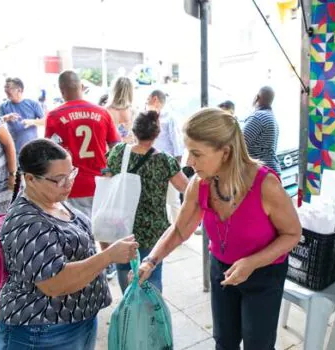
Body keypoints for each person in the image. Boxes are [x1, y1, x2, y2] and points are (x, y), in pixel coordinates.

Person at [135, 108, 301, 349]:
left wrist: (252, 262)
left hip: (264, 273)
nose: (189, 162)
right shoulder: (199, 184)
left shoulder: (266, 185)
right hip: (221, 268)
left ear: (225, 152)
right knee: (224, 341)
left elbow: (293, 233)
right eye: (188, 152)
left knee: (258, 344)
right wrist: (151, 261)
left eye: (197, 154)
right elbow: (180, 229)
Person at [0, 139, 139, 350]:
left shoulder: (52, 200)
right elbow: (54, 283)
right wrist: (108, 257)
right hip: (43, 330)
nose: (68, 184)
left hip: (74, 321)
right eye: (58, 179)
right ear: (30, 179)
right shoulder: (27, 222)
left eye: (71, 174)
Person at [45, 70, 121, 279]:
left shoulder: (54, 116)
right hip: (101, 182)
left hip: (72, 185)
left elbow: (50, 152)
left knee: (79, 232)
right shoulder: (102, 112)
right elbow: (116, 145)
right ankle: (108, 267)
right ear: (81, 87)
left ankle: (88, 270)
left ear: (62, 90)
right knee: (104, 227)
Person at [106, 111, 188, 293]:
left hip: (122, 226)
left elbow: (108, 181)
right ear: (157, 134)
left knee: (124, 269)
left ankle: (129, 307)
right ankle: (151, 315)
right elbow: (186, 188)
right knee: (152, 271)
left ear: (134, 131)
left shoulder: (118, 152)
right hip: (152, 229)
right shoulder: (164, 160)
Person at [146, 89, 185, 224]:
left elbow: (177, 143)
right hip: (151, 164)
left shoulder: (170, 118)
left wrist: (176, 165)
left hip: (168, 164)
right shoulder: (149, 117)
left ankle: (178, 228)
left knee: (173, 199)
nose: (146, 101)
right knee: (156, 199)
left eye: (148, 98)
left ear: (155, 99)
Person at [0, 77, 44, 154]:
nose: (6, 90)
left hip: (32, 148)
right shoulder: (3, 106)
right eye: (5, 88)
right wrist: (6, 118)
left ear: (19, 90)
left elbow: (45, 121)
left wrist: (32, 122)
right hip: (14, 149)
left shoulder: (33, 103)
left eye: (8, 87)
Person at [243, 86, 281, 175]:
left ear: (257, 98)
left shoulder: (258, 118)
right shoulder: (270, 117)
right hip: (269, 170)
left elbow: (239, 144)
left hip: (261, 173)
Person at [107, 76, 136, 143]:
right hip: (127, 151)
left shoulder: (105, 111)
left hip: (110, 151)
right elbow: (134, 138)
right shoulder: (132, 111)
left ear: (114, 90)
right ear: (130, 92)